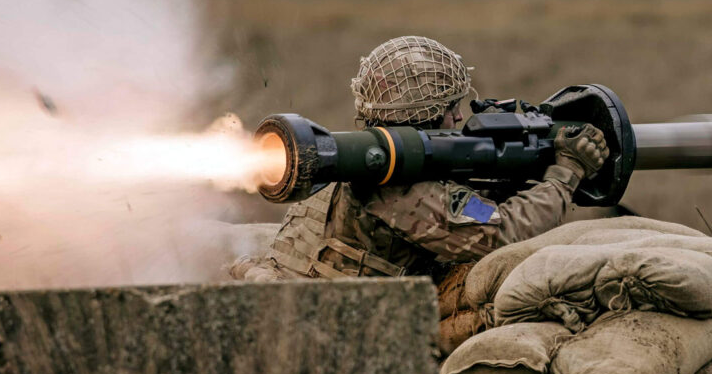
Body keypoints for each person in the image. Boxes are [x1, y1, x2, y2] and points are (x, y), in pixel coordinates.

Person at [233, 36, 608, 282]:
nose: (460, 118)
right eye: (451, 108)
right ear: (425, 116)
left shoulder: (343, 156)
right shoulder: (401, 188)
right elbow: (503, 233)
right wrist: (566, 173)